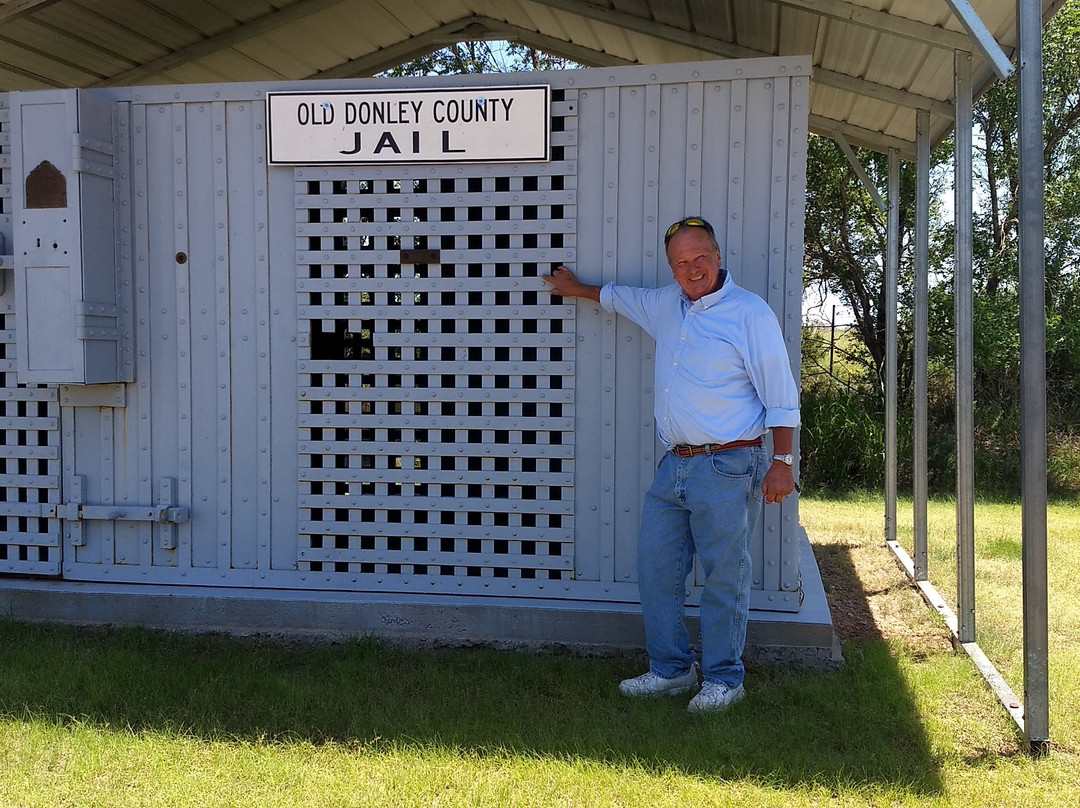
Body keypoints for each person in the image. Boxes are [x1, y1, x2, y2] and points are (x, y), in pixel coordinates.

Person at [542, 216, 799, 713]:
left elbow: (781, 397)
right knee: (656, 569)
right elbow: (619, 297)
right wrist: (575, 289)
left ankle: (726, 679)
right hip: (673, 467)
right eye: (681, 262)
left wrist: (783, 461)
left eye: (700, 257)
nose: (692, 268)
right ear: (672, 268)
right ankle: (672, 670)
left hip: (729, 466)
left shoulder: (750, 314)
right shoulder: (666, 304)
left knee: (725, 576)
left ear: (718, 256)